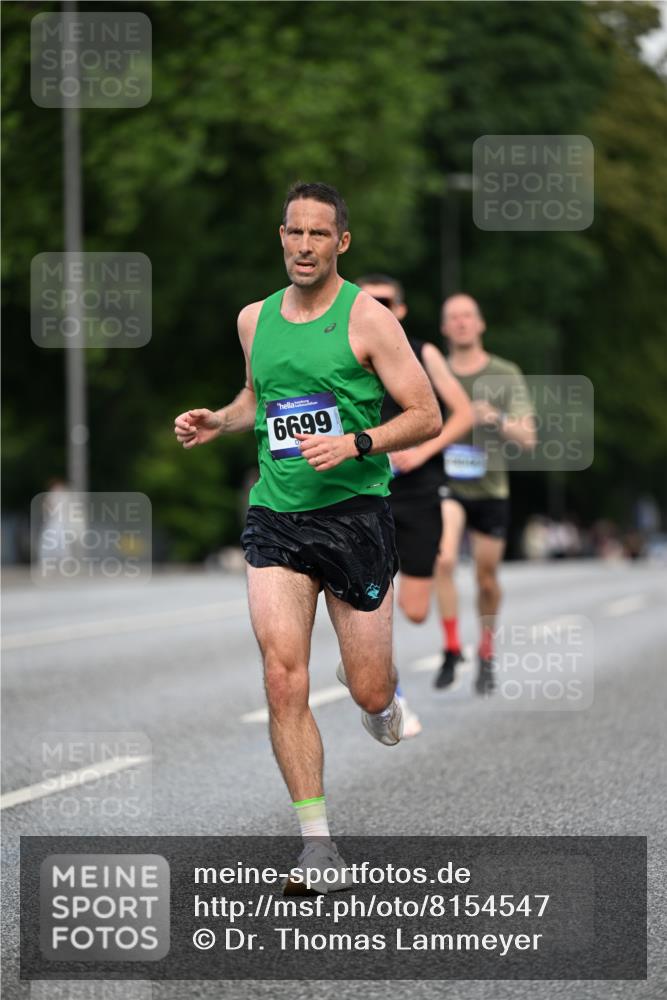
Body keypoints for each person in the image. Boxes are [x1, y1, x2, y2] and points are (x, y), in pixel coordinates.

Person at [174, 182, 441, 891]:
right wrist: (220, 421)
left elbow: (425, 415)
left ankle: (383, 702)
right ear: (280, 236)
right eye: (294, 233)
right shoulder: (253, 319)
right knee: (280, 674)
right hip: (277, 516)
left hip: (355, 514)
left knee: (365, 685)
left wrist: (356, 442)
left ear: (340, 243)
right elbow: (257, 399)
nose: (303, 246)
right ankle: (317, 846)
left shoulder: (370, 319)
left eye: (318, 235)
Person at [355, 274, 474, 733]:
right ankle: (387, 691)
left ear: (401, 310)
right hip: (367, 493)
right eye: (369, 301)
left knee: (416, 609)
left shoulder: (423, 352)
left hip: (420, 493)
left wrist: (419, 452)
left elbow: (462, 412)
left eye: (386, 301)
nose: (378, 307)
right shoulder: (347, 350)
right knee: (372, 601)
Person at [434, 294, 536, 694]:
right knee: (443, 560)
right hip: (448, 484)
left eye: (467, 316)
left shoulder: (505, 373)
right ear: (444, 328)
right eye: (452, 317)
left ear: (480, 324)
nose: (460, 323)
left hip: (492, 486)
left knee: (486, 578)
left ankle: (487, 650)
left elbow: (528, 438)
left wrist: (494, 417)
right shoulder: (436, 372)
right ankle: (451, 646)